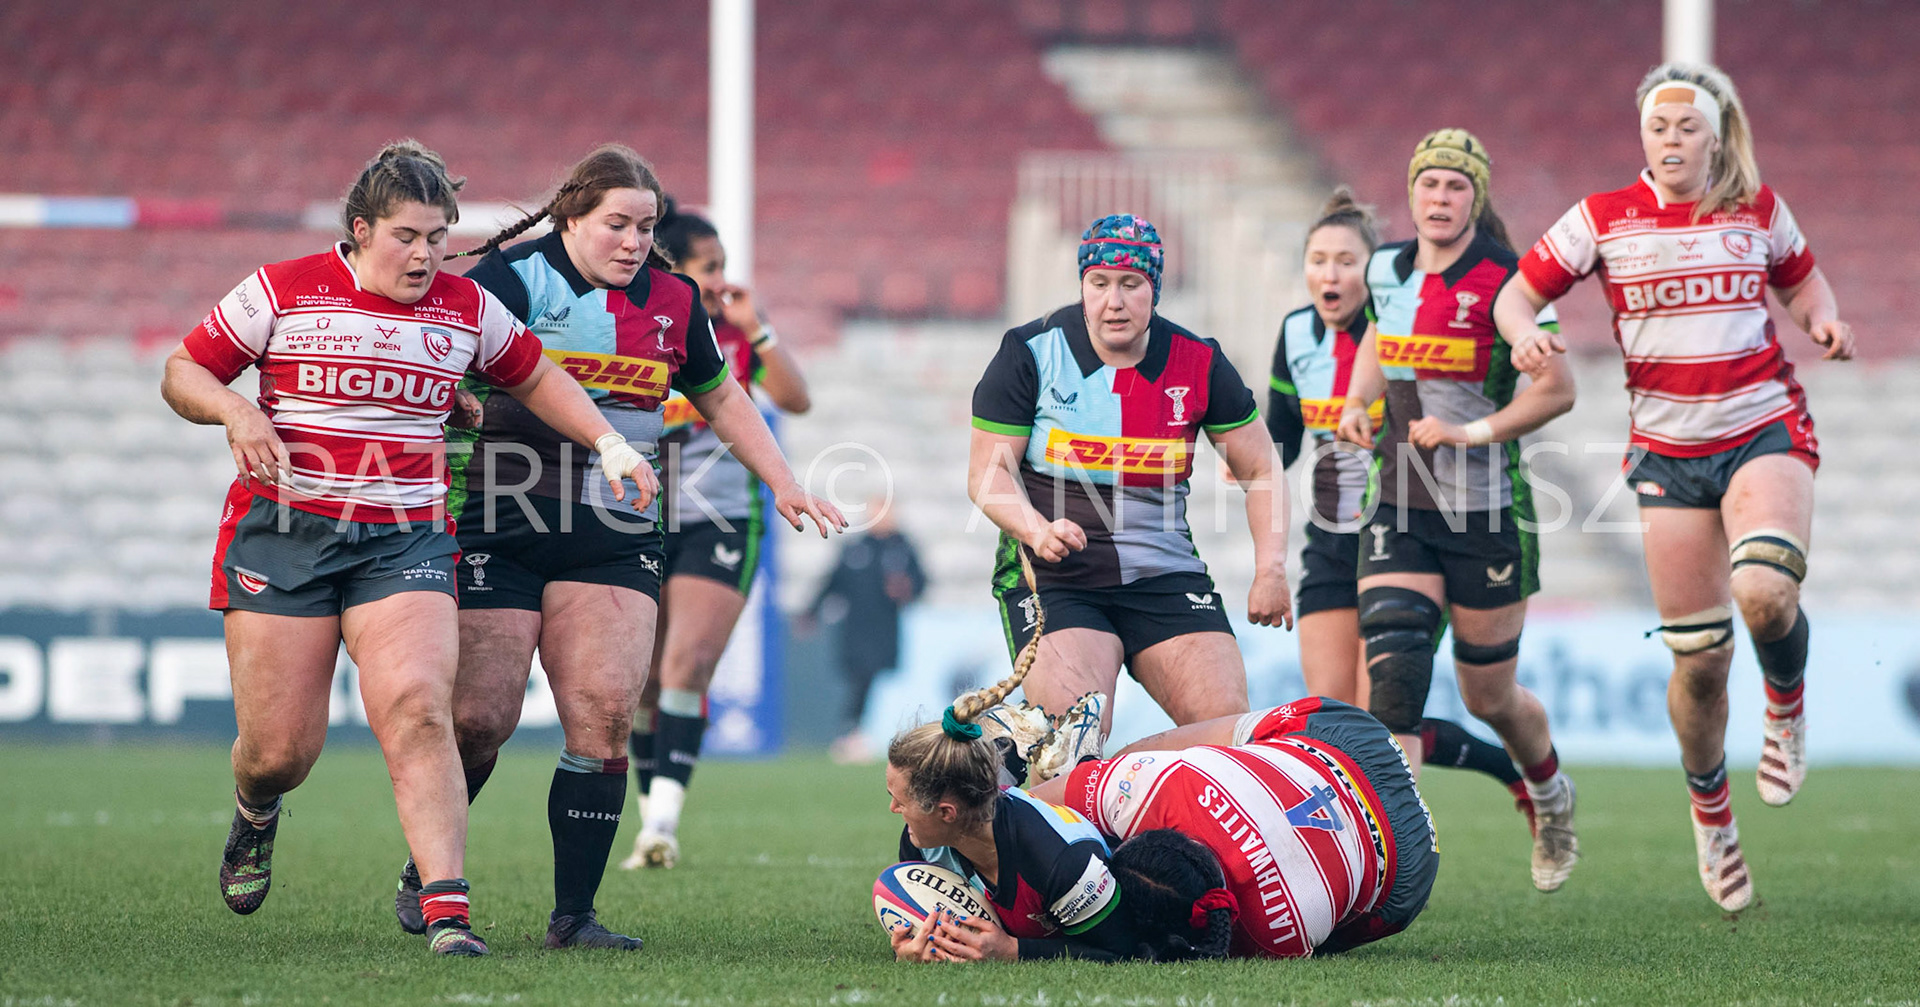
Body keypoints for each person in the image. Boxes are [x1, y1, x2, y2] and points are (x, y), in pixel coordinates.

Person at [162, 141, 653, 957]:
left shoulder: (466, 307)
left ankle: (446, 911)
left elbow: (535, 377)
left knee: (422, 709)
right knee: (282, 750)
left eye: (438, 235)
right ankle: (255, 808)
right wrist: (236, 412)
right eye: (407, 236)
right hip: (286, 533)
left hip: (406, 537)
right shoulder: (281, 289)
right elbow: (184, 370)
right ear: (360, 230)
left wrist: (609, 443)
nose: (425, 254)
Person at [388, 145, 844, 950]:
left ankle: (574, 916)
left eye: (646, 226)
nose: (635, 241)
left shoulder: (672, 299)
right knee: (480, 719)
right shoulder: (510, 280)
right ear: (571, 216)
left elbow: (723, 396)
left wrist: (782, 479)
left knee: (601, 718)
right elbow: (437, 365)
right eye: (618, 224)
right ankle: (426, 866)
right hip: (500, 522)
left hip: (617, 532)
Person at [1502, 63, 1854, 911]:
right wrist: (1524, 336)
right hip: (1667, 453)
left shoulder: (1757, 211)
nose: (1669, 138)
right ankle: (1713, 817)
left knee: (1766, 592)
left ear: (1714, 133)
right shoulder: (1603, 218)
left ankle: (1786, 704)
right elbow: (1519, 293)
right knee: (1700, 663)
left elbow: (1802, 278)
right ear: (1643, 138)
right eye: (1657, 127)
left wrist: (1822, 320)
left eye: (1685, 126)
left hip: (1763, 425)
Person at [1334, 129, 1580, 893]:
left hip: (1486, 512)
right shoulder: (1385, 267)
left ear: (1477, 197)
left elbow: (1558, 389)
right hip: (1401, 500)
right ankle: (1387, 869)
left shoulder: (1509, 279)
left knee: (1489, 696)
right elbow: (1380, 333)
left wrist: (1472, 426)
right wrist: (1355, 401)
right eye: (1429, 184)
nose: (1440, 199)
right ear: (1411, 192)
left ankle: (1549, 790)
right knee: (1395, 674)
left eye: (1456, 187)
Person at [969, 214, 1291, 749]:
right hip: (1057, 579)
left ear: (1154, 290)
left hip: (1163, 574)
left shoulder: (1199, 361)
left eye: (1130, 284)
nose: (1113, 302)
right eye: (1099, 283)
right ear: (1082, 286)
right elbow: (987, 473)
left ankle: (1160, 819)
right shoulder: (1029, 353)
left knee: (1230, 741)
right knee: (1070, 743)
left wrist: (1271, 569)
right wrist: (1035, 529)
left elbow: (1261, 469)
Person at [1270, 188, 1533, 827]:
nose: (1329, 274)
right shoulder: (1295, 333)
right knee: (1330, 718)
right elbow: (1278, 439)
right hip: (1330, 538)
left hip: (1400, 535)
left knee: (1381, 712)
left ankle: (1394, 852)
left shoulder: (1405, 332)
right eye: (1318, 260)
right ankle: (1502, 768)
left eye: (1346, 261)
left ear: (1376, 271)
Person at [621, 201, 814, 870]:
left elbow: (796, 398)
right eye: (710, 268)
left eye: (724, 266)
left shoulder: (731, 331)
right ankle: (652, 821)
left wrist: (757, 329)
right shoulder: (633, 328)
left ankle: (663, 826)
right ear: (669, 269)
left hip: (722, 516)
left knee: (687, 664)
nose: (722, 280)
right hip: (635, 516)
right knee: (642, 680)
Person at [1023, 696, 1437, 959]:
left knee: (1340, 914)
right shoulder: (1161, 788)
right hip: (1349, 740)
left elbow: (1023, 810)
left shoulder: (1272, 940)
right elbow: (1027, 808)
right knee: (1176, 745)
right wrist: (1090, 776)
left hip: (1409, 869)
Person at [886, 559, 1140, 963]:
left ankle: (1072, 762)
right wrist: (917, 946)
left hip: (1117, 836)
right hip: (1012, 818)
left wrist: (1015, 951)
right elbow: (944, 928)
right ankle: (1021, 747)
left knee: (1074, 796)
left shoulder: (1060, 859)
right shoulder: (923, 844)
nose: (893, 809)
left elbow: (1129, 952)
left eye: (900, 800)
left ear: (947, 811)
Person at [799, 492, 928, 765]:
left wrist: (908, 589)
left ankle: (865, 734)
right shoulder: (855, 547)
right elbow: (832, 582)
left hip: (885, 629)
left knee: (876, 681)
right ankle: (852, 734)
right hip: (855, 629)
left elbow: (921, 583)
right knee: (859, 680)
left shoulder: (903, 548)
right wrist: (811, 611)